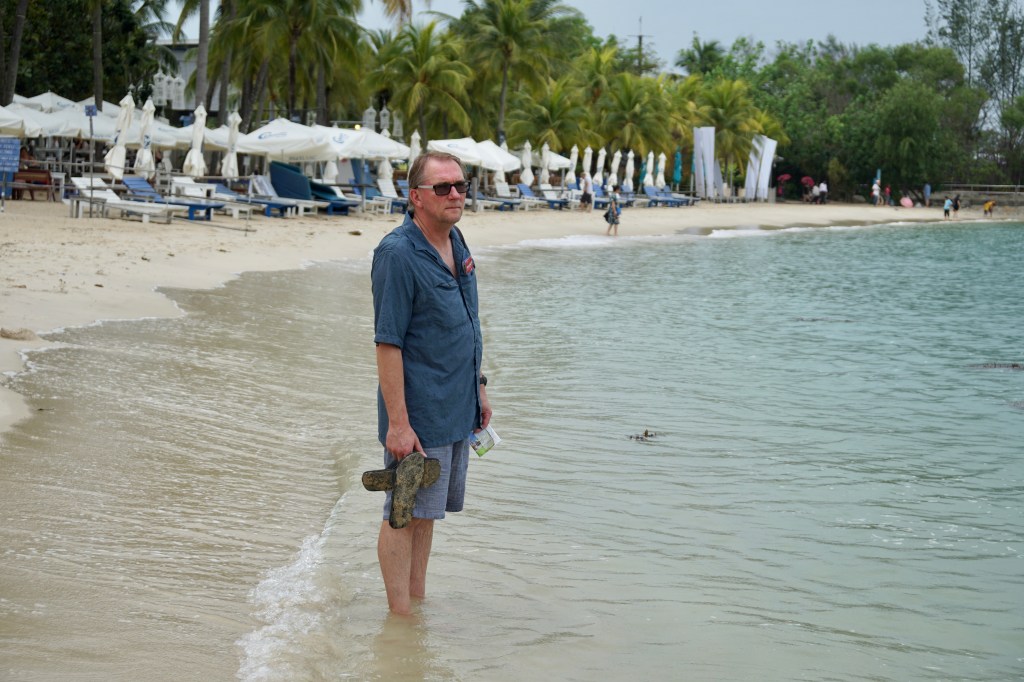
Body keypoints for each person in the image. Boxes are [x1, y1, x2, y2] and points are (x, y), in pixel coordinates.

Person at [370, 149, 492, 615]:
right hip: (419, 413)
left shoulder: (455, 239)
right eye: (443, 187)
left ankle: (415, 605)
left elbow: (466, 321)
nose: (455, 194)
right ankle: (398, 618)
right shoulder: (397, 254)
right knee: (402, 513)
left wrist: (479, 386)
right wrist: (398, 424)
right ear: (416, 196)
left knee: (427, 512)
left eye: (461, 185)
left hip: (456, 406)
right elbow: (388, 343)